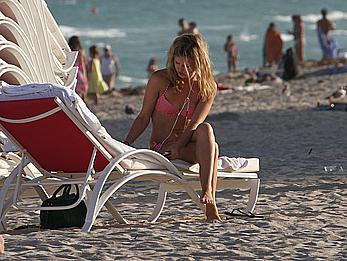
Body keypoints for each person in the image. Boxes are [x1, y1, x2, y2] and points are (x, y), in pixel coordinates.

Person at [124, 33, 221, 222]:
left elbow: (194, 124)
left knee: (206, 129)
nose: (181, 69)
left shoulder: (207, 88)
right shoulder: (160, 80)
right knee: (214, 148)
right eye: (178, 63)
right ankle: (210, 203)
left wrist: (178, 147)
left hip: (185, 146)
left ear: (199, 62)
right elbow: (143, 116)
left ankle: (208, 194)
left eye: (188, 65)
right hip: (163, 148)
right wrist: (126, 144)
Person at [68, 36, 89, 101]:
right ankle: (83, 103)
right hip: (81, 73)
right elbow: (85, 64)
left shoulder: (70, 51)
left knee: (77, 91)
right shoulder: (81, 52)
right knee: (82, 90)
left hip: (73, 72)